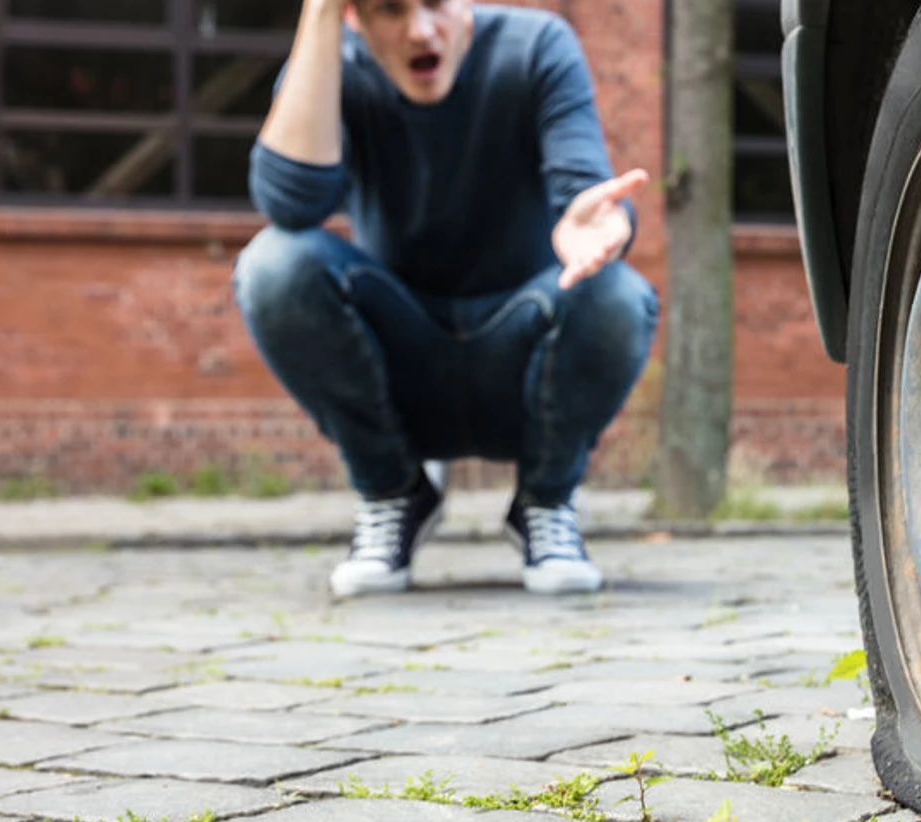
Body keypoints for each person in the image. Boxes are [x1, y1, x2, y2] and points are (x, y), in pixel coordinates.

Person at [233, 0, 656, 598]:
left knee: (616, 292)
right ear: (355, 17)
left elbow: (583, 189)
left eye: (434, 4)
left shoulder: (536, 46)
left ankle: (546, 500)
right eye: (389, 10)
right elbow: (291, 206)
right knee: (274, 265)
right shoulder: (334, 64)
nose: (419, 30)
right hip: (401, 362)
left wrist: (600, 223)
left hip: (524, 356)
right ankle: (391, 491)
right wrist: (320, 16)